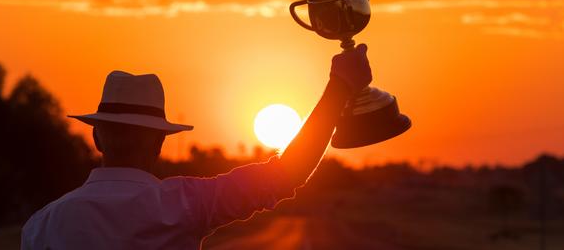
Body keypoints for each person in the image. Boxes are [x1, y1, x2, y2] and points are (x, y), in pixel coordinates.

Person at [20, 44, 372, 249]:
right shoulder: (185, 204)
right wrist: (338, 87)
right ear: (159, 143)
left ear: (96, 137)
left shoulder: (41, 226)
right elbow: (286, 175)